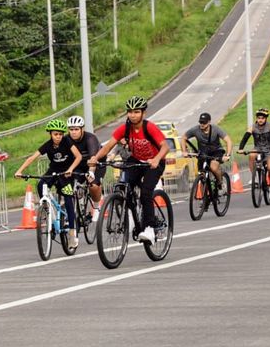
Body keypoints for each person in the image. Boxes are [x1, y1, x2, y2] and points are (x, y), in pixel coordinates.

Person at [88, 95, 170, 246]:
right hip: (136, 160)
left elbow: (165, 146)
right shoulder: (124, 128)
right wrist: (95, 158)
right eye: (130, 112)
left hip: (154, 163)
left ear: (143, 113)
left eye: (136, 112)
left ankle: (150, 228)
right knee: (122, 187)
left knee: (146, 192)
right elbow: (108, 147)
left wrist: (157, 159)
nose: (133, 115)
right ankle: (132, 218)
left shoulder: (149, 127)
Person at [14, 119, 82, 249]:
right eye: (55, 134)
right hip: (53, 170)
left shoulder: (67, 142)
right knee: (41, 184)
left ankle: (73, 233)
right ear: (50, 134)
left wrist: (71, 169)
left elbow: (78, 156)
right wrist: (20, 171)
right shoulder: (48, 145)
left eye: (60, 134)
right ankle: (46, 210)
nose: (58, 137)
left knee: (68, 199)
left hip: (66, 172)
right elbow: (32, 158)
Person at [66, 115, 105, 222]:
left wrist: (91, 173)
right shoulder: (66, 139)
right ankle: (80, 202)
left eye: (76, 129)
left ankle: (96, 207)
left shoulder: (90, 138)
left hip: (96, 163)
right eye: (71, 129)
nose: (73, 132)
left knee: (93, 185)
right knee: (71, 183)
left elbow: (93, 158)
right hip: (79, 164)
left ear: (82, 129)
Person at [181, 112, 233, 191]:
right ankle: (206, 196)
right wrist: (184, 151)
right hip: (203, 153)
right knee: (201, 174)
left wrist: (228, 155)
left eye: (204, 122)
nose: (202, 124)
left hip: (216, 151)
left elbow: (228, 141)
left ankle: (220, 182)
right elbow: (183, 138)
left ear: (209, 122)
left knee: (213, 167)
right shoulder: (195, 130)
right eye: (200, 122)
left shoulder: (216, 129)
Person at [237, 108, 270, 201]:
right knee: (251, 155)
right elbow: (245, 137)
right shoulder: (253, 127)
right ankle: (255, 177)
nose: (260, 120)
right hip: (258, 148)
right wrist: (241, 148)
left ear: (266, 118)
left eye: (262, 118)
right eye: (258, 118)